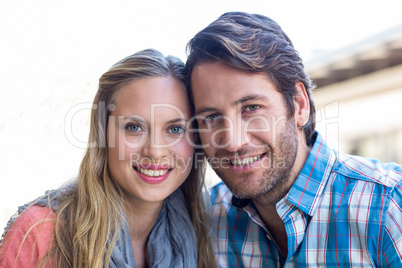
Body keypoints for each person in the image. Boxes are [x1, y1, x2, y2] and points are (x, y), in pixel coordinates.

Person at [185, 11, 402, 267]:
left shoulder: (387, 206)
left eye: (252, 108)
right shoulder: (206, 219)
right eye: (211, 117)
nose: (232, 142)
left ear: (299, 105)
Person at [0, 49, 216, 268]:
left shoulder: (202, 226)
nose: (155, 151)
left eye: (175, 129)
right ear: (103, 134)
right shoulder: (39, 232)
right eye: (134, 127)